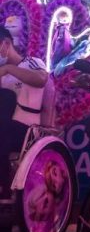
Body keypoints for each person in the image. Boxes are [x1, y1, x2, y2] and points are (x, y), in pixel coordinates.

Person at [0, 26, 48, 197]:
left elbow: (42, 79)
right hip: (5, 130)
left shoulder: (31, 62)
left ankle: (3, 188)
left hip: (27, 131)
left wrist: (9, 69)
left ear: (6, 44)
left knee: (5, 96)